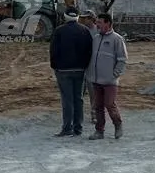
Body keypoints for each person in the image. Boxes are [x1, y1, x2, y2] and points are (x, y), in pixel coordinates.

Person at [49, 8, 93, 137]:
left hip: (63, 71)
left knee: (67, 100)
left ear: (65, 16)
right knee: (78, 99)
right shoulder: (85, 31)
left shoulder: (59, 31)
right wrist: (84, 66)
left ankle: (67, 128)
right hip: (80, 70)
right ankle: (78, 128)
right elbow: (89, 51)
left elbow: (53, 51)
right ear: (78, 17)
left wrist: (55, 66)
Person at [87, 12, 127, 139]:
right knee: (98, 105)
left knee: (109, 104)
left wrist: (114, 75)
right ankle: (99, 131)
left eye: (99, 22)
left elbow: (122, 60)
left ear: (108, 23)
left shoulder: (117, 39)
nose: (97, 25)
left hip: (110, 81)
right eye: (96, 22)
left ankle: (118, 125)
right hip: (96, 79)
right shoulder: (96, 38)